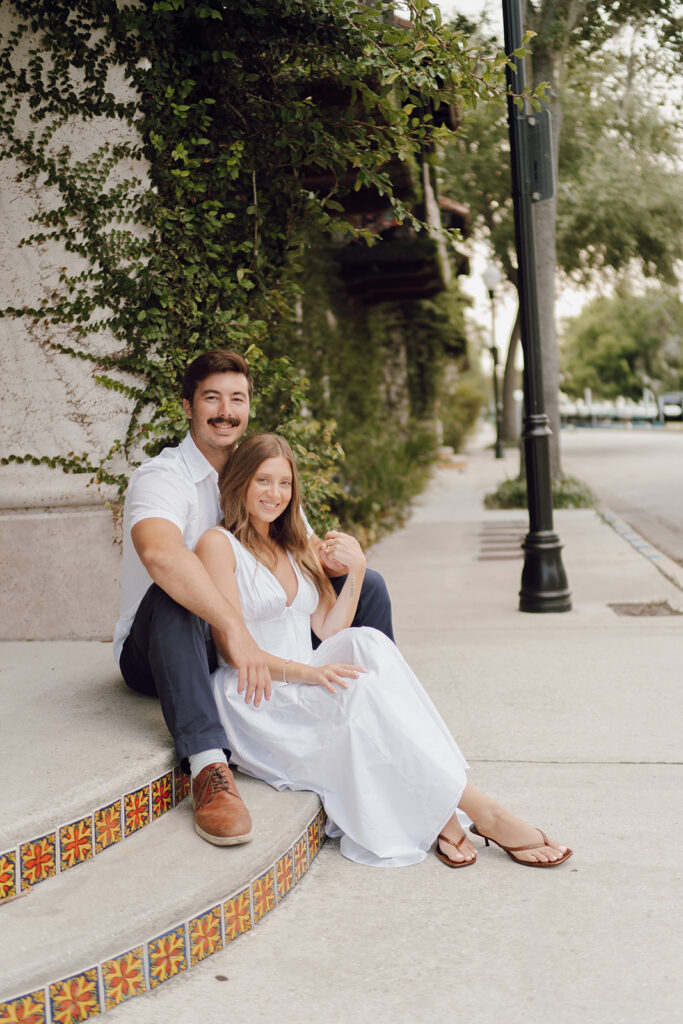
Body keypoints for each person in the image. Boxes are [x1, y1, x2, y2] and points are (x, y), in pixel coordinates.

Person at [195, 433, 573, 869]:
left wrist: (356, 569)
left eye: (284, 484)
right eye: (263, 481)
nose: (275, 494)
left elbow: (325, 627)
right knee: (358, 693)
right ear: (241, 482)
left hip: (304, 673)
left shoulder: (293, 542)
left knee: (368, 642)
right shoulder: (218, 544)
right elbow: (231, 647)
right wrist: (309, 674)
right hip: (257, 693)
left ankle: (452, 813)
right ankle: (483, 812)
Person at [113, 350, 394, 848]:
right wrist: (235, 631)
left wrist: (345, 560)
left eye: (236, 399)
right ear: (187, 407)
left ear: (248, 408)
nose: (225, 411)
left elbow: (305, 559)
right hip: (165, 648)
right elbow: (159, 553)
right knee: (176, 592)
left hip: (248, 636)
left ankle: (382, 710)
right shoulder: (163, 476)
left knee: (367, 586)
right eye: (211, 398)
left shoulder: (261, 473)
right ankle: (208, 767)